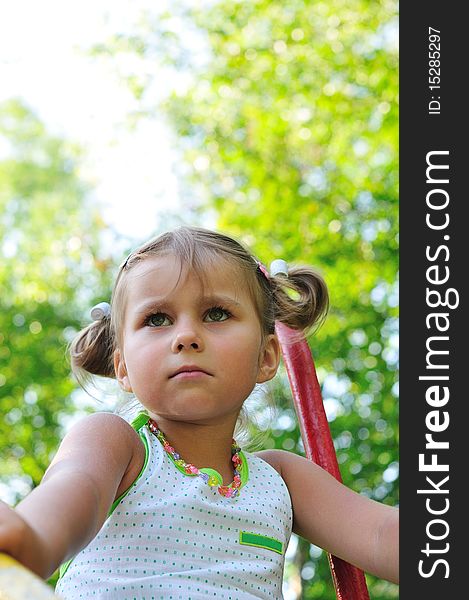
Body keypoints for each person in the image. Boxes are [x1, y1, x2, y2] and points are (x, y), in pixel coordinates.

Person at [0, 226, 398, 598]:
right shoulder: (117, 443)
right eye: (157, 319)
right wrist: (31, 540)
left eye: (216, 314)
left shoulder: (281, 480)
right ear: (123, 368)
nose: (186, 336)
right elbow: (73, 493)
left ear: (266, 356)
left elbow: (382, 534)